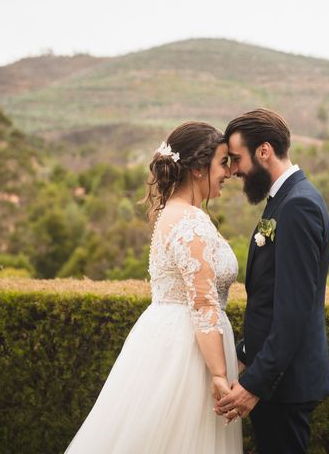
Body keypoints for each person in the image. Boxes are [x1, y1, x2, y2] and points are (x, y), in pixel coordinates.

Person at [64, 121, 242, 453]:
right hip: (190, 352)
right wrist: (218, 374)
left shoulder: (170, 214)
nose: (228, 172)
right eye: (222, 163)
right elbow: (204, 304)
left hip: (164, 338)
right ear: (199, 169)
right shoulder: (190, 220)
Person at [216, 108, 329, 454]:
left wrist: (254, 383)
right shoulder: (284, 201)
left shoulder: (298, 205)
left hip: (285, 384)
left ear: (264, 151)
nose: (234, 170)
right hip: (278, 379)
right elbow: (270, 300)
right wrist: (242, 355)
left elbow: (293, 311)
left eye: (237, 159)